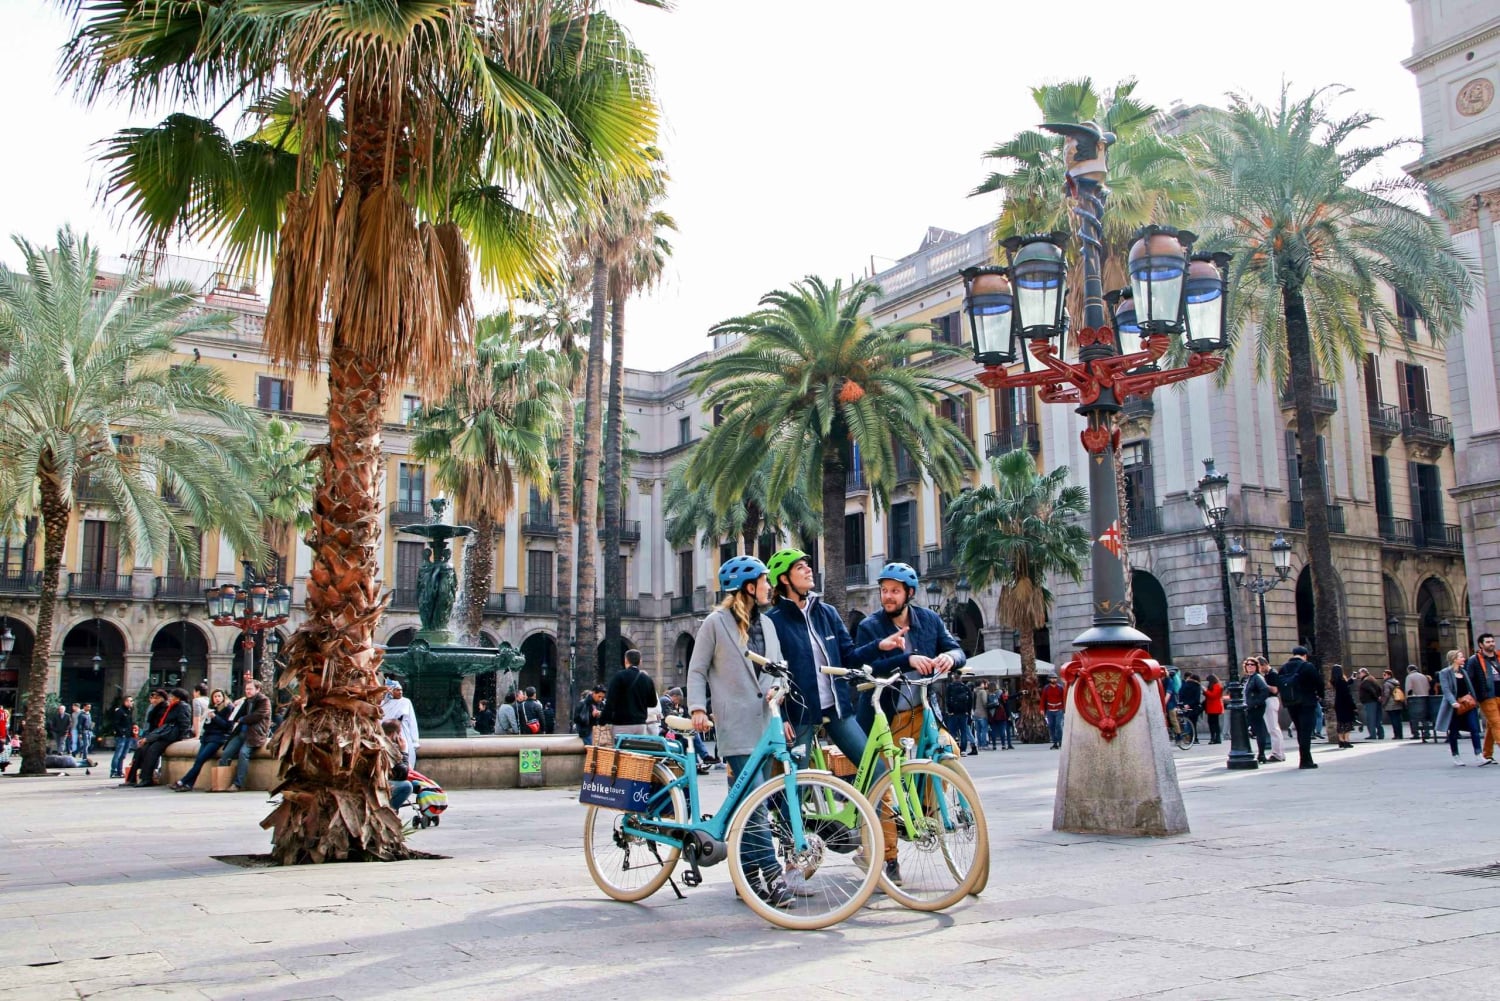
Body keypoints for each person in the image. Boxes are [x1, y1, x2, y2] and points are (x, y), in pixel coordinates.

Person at [687, 555, 792, 910]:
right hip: (735, 726)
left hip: (767, 723)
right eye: (764, 581)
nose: (769, 586)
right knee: (757, 803)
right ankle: (774, 877)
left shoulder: (771, 627)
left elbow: (779, 670)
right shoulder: (715, 624)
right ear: (749, 587)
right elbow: (697, 670)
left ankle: (745, 876)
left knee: (750, 805)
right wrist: (698, 709)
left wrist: (780, 689)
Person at [765, 549, 903, 775]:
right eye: (800, 567)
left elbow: (849, 657)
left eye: (807, 565)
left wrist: (879, 645)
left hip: (837, 707)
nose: (809, 569)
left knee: (876, 771)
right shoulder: (773, 621)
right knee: (797, 783)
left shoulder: (827, 613)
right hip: (799, 713)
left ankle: (864, 811)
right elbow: (770, 672)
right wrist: (780, 718)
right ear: (784, 578)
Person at [130, 687, 192, 787]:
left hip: (171, 735)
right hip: (167, 733)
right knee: (146, 748)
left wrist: (183, 736)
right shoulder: (173, 706)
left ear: (178, 698)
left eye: (172, 696)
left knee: (153, 749)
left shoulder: (182, 706)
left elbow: (185, 722)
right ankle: (141, 777)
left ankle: (147, 778)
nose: (170, 698)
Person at [172, 690, 233, 790]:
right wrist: (206, 718)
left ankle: (182, 781)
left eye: (219, 696)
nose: (217, 699)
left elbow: (227, 726)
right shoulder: (212, 708)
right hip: (207, 738)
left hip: (218, 739)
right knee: (198, 761)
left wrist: (215, 717)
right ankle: (189, 785)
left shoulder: (228, 708)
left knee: (200, 760)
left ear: (223, 697)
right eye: (215, 697)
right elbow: (207, 726)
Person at [217, 679, 272, 790]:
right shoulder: (246, 701)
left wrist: (243, 719)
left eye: (250, 689)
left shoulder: (264, 701)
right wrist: (236, 706)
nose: (248, 691)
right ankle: (221, 783)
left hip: (255, 734)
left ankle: (238, 784)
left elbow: (258, 715)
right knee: (226, 753)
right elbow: (234, 717)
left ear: (258, 689)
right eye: (246, 689)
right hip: (241, 733)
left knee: (243, 753)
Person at [1280, 647, 1324, 769]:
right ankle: (1305, 760)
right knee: (1306, 731)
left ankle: (1305, 759)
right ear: (1304, 655)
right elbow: (1319, 682)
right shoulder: (1308, 666)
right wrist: (1320, 695)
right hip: (1307, 702)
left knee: (1300, 730)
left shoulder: (1284, 667)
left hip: (1291, 703)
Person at [1438, 648, 1483, 765]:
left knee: (1474, 728)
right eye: (1461, 656)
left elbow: (1470, 687)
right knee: (1453, 731)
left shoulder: (1464, 672)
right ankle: (1456, 755)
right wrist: (1453, 702)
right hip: (1454, 706)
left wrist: (1475, 699)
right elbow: (1446, 690)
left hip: (1467, 704)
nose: (1464, 658)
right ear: (1454, 659)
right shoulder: (1445, 672)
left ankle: (1479, 754)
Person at [602, 649, 658, 736]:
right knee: (636, 749)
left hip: (622, 723)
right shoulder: (647, 679)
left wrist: (603, 720)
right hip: (640, 724)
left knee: (621, 748)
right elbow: (653, 703)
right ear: (640, 661)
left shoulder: (619, 677)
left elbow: (610, 701)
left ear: (626, 660)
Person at [1465, 633, 1500, 763]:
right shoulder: (1474, 660)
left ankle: (1487, 753)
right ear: (1481, 644)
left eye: (1492, 641)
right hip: (1486, 696)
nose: (1491, 644)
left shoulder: (1498, 656)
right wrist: (1474, 695)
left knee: (1492, 725)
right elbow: (1469, 678)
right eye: (1488, 642)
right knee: (1497, 723)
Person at [125, 691, 168, 785]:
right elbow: (148, 723)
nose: (154, 700)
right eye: (153, 697)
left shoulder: (164, 708)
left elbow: (160, 726)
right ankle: (133, 778)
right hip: (151, 734)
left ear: (162, 698)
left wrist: (148, 738)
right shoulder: (153, 708)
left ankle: (145, 778)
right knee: (139, 752)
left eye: (156, 698)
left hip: (157, 734)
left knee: (147, 751)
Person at [382, 680, 420, 767]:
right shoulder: (383, 703)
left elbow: (412, 722)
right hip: (386, 734)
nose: (400, 692)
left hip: (402, 733)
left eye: (401, 690)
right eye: (397, 690)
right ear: (390, 690)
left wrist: (415, 741)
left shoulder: (406, 702)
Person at [1241, 658, 1273, 763]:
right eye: (1248, 665)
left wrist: (1255, 703)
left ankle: (1262, 754)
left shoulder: (1257, 677)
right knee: (1254, 730)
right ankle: (1258, 753)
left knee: (1259, 730)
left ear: (1256, 666)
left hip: (1255, 708)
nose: (1250, 666)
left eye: (1252, 664)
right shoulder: (1249, 678)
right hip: (1249, 707)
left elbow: (1264, 691)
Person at [383, 719, 415, 810]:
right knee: (407, 786)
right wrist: (404, 752)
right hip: (382, 784)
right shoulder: (386, 747)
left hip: (388, 780)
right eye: (399, 733)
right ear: (394, 734)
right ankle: (389, 812)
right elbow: (402, 774)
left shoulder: (391, 745)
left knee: (416, 783)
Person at [1259, 656, 1286, 762]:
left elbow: (1275, 690)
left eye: (1260, 667)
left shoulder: (1272, 674)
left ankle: (1277, 753)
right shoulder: (1268, 674)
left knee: (1273, 728)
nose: (1260, 670)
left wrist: (1263, 684)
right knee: (1273, 728)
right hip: (1270, 701)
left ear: (1264, 664)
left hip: (1271, 700)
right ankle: (1278, 752)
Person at [945, 674, 977, 755]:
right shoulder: (965, 688)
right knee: (964, 731)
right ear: (961, 678)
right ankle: (963, 750)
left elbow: (947, 699)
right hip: (964, 713)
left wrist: (950, 710)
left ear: (953, 678)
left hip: (953, 713)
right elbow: (970, 701)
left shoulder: (950, 687)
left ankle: (952, 748)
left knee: (952, 731)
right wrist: (968, 712)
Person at [109, 696, 137, 778]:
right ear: (125, 702)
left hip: (128, 735)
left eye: (132, 701)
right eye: (130, 701)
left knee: (123, 755)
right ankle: (113, 771)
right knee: (118, 754)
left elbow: (130, 723)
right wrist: (122, 732)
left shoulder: (129, 711)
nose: (132, 703)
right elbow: (115, 724)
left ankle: (119, 771)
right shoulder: (120, 711)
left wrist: (133, 731)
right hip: (122, 736)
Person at [1405, 663, 1433, 743]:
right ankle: (1427, 732)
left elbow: (1409, 689)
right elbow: (1428, 687)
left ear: (1408, 670)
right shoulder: (1423, 676)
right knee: (1424, 717)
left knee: (1414, 718)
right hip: (1425, 698)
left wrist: (1407, 699)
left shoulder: (1409, 677)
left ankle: (1415, 733)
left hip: (1415, 700)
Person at [1332, 665, 1357, 748]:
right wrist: (1353, 705)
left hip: (1338, 704)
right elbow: (1347, 694)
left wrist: (1351, 679)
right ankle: (1346, 740)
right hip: (1346, 704)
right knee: (1348, 722)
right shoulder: (1342, 681)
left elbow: (1344, 685)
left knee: (1340, 722)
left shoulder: (1334, 681)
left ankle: (1341, 740)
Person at [1356, 668, 1384, 740]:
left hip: (1370, 702)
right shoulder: (1373, 679)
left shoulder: (1366, 681)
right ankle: (1381, 734)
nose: (1359, 675)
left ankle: (1372, 735)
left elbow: (1371, 690)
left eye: (1359, 673)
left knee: (1371, 719)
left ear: (1363, 673)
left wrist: (1376, 697)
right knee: (1377, 719)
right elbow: (1379, 689)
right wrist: (1379, 697)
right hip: (1375, 702)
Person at [1041, 675, 1067, 749]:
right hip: (1050, 710)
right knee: (1051, 726)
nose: (1053, 679)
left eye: (1055, 678)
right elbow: (1043, 699)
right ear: (1049, 679)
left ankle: (1061, 741)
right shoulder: (1046, 688)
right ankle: (1055, 743)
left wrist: (1065, 709)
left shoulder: (1061, 688)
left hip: (1059, 709)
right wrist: (1042, 709)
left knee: (1058, 725)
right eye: (1052, 678)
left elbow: (1064, 698)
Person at [1178, 673, 1204, 744]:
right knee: (1193, 723)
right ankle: (1194, 738)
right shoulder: (1197, 686)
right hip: (1193, 707)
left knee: (1187, 721)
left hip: (1185, 706)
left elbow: (1180, 695)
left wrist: (1184, 704)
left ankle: (1187, 738)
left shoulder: (1184, 685)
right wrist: (1190, 704)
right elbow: (1197, 699)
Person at [1381, 669, 1405, 740]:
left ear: (1389, 675)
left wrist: (1383, 703)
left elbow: (1386, 694)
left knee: (1394, 720)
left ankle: (1396, 735)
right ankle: (1400, 735)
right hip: (1398, 703)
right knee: (1398, 720)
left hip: (1391, 704)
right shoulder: (1396, 682)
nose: (1383, 676)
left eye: (1384, 675)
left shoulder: (1387, 684)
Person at [991, 686, 1016, 750]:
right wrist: (1009, 716)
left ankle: (995, 745)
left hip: (996, 716)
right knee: (1005, 731)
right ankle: (1005, 745)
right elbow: (1008, 706)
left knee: (995, 731)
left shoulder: (993, 697)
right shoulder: (1004, 697)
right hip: (1004, 716)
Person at [1203, 674, 1225, 744]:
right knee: (1213, 723)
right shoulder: (1217, 685)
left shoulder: (1217, 686)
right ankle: (1215, 737)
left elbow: (1213, 696)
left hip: (1214, 706)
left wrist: (1205, 691)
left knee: (1213, 723)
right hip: (1212, 706)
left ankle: (1215, 737)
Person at [970, 681, 991, 752]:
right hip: (982, 713)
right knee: (984, 730)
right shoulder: (982, 692)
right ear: (981, 684)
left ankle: (979, 745)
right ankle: (984, 745)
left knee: (978, 731)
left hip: (975, 713)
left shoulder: (974, 692)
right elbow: (984, 702)